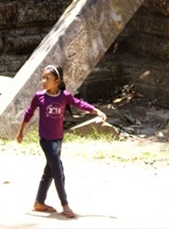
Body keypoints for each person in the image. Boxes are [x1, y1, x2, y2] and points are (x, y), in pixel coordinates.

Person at [15, 64, 103, 218]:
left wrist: (96, 110)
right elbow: (28, 113)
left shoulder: (64, 96)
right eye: (43, 77)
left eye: (47, 78)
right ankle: (65, 205)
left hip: (58, 140)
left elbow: (79, 103)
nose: (43, 81)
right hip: (46, 141)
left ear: (57, 81)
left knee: (49, 172)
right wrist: (21, 131)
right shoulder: (39, 96)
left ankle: (39, 202)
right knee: (58, 171)